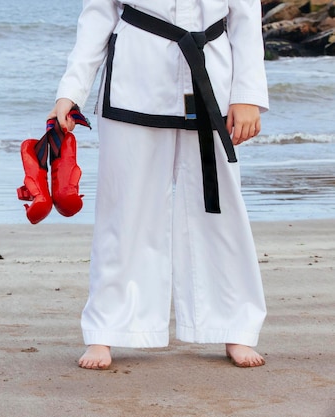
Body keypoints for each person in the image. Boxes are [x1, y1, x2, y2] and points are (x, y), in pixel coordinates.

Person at [49, 0, 269, 369]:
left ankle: (235, 324)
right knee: (123, 212)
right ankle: (107, 329)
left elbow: (246, 17)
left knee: (220, 209)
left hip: (209, 79)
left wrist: (247, 96)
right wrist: (70, 92)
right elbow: (98, 16)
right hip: (133, 81)